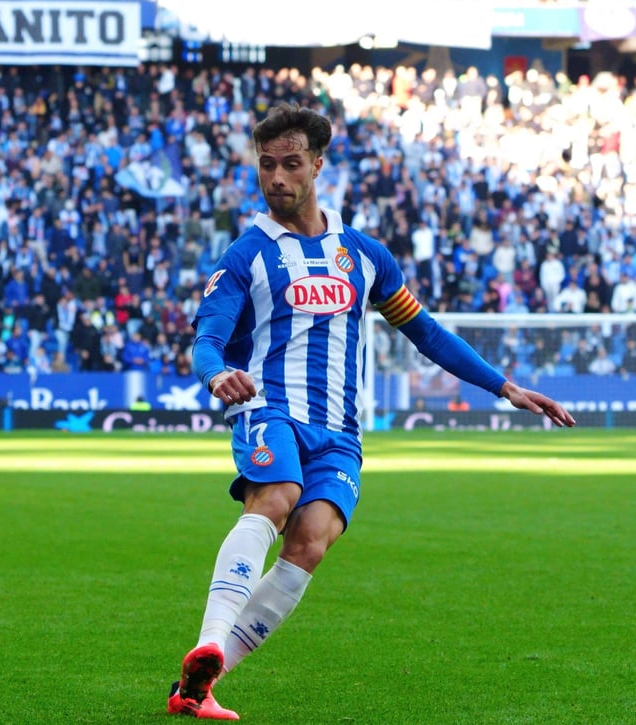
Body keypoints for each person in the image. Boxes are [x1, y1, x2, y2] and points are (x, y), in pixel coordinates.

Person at [170, 104, 574, 721]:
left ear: (318, 165)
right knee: (276, 496)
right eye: (266, 164)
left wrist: (504, 387)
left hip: (340, 430)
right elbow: (207, 338)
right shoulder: (245, 256)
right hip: (269, 407)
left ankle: (200, 684)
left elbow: (425, 332)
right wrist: (217, 373)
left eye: (290, 163)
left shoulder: (363, 254)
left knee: (311, 542)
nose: (276, 177)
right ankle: (209, 639)